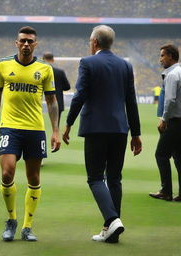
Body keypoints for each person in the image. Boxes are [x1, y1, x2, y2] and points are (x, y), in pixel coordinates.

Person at [62, 25, 142, 243]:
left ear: (94, 42)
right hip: (119, 129)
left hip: (96, 129)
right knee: (115, 178)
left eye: (90, 41)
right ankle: (111, 231)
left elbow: (80, 96)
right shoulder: (125, 66)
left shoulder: (87, 63)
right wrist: (136, 133)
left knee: (96, 177)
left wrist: (68, 123)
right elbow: (131, 102)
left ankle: (112, 218)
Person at [0, 26, 61, 242]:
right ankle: (12, 220)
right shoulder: (2, 65)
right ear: (16, 43)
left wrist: (55, 130)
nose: (26, 44)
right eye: (23, 41)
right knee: (7, 173)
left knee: (34, 178)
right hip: (9, 127)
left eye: (30, 41)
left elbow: (52, 101)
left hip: (35, 130)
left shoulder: (45, 70)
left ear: (35, 44)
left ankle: (27, 226)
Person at [149, 44, 181, 202]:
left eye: (162, 55)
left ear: (170, 56)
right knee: (179, 156)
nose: (160, 59)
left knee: (161, 154)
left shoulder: (172, 75)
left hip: (175, 121)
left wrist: (164, 119)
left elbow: (170, 99)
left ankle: (166, 191)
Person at [42, 52, 71, 126]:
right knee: (55, 126)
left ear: (43, 59)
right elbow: (67, 87)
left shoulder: (39, 72)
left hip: (40, 103)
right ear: (53, 60)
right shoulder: (59, 72)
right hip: (57, 102)